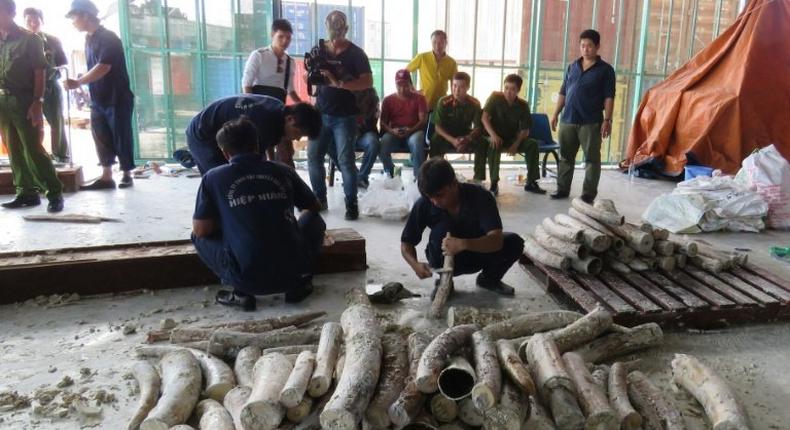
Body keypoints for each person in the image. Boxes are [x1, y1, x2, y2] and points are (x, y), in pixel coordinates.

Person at [192, 117, 326, 311]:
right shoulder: (283, 170)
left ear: (225, 152)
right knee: (314, 220)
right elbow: (314, 207)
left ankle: (241, 293)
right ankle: (299, 283)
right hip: (291, 272)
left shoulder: (213, 178)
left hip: (248, 279)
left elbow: (201, 230)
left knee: (197, 235)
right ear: (257, 144)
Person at [401, 158, 524, 297]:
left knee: (514, 242)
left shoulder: (481, 197)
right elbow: (406, 243)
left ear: (453, 184)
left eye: (439, 195)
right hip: (443, 259)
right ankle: (445, 281)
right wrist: (415, 264)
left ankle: (489, 279)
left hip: (478, 254)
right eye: (430, 197)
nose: (435, 202)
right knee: (441, 230)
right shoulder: (424, 203)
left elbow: (496, 240)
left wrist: (464, 244)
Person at [307, 10, 373, 220]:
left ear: (345, 29)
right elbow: (309, 74)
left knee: (345, 161)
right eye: (331, 27)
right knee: (313, 157)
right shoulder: (319, 49)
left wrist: (340, 83)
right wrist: (310, 74)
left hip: (345, 115)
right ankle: (319, 199)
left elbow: (367, 82)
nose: (335, 33)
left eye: (339, 27)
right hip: (321, 111)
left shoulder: (356, 54)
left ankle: (351, 204)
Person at [64, 0, 136, 190]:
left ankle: (127, 173)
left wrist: (79, 82)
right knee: (101, 137)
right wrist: (83, 82)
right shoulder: (88, 39)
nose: (73, 22)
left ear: (86, 16)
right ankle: (107, 176)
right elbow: (95, 68)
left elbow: (104, 66)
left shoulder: (108, 38)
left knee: (121, 136)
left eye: (74, 17)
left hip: (117, 98)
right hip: (98, 99)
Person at [0, 0, 64, 212]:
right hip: (3, 102)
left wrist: (37, 103)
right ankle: (26, 193)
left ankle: (54, 193)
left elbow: (40, 72)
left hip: (25, 101)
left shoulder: (30, 39)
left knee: (33, 148)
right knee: (13, 149)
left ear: (10, 13)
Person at [550, 29, 615, 204]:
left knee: (592, 160)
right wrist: (555, 114)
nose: (585, 49)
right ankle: (562, 189)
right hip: (568, 120)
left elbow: (609, 96)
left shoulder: (606, 70)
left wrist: (607, 120)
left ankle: (588, 194)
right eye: (583, 45)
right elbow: (563, 92)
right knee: (565, 157)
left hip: (591, 122)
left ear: (597, 47)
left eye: (590, 46)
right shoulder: (572, 67)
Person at [186, 95, 321, 174]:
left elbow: (266, 150)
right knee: (221, 181)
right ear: (290, 119)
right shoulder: (265, 122)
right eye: (299, 133)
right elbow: (253, 162)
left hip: (223, 131)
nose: (297, 138)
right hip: (202, 134)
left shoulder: (279, 111)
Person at [242, 18, 301, 165]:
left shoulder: (290, 62)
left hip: (278, 111)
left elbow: (290, 89)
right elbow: (246, 84)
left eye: (288, 38)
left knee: (286, 153)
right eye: (281, 36)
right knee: (257, 151)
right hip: (257, 109)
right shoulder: (259, 55)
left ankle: (286, 181)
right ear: (272, 35)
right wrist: (250, 108)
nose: (285, 41)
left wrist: (302, 105)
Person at [481, 74, 545, 196]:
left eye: (512, 89)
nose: (508, 92)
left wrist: (516, 144)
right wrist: (493, 135)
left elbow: (525, 130)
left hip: (511, 139)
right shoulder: (495, 98)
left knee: (532, 144)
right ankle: (494, 183)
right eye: (506, 88)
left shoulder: (523, 105)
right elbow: (484, 118)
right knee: (494, 144)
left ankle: (531, 182)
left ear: (518, 91)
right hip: (494, 136)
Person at [23, 7, 69, 163]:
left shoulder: (53, 40)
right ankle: (34, 156)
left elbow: (63, 63)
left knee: (56, 121)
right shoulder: (21, 41)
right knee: (32, 123)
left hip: (50, 87)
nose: (33, 23)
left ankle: (60, 155)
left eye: (36, 20)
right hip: (29, 89)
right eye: (29, 20)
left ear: (42, 21)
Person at [429, 72, 486, 183]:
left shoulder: (474, 103)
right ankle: (436, 177)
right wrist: (454, 141)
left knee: (482, 142)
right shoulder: (444, 102)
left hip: (465, 135)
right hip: (447, 136)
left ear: (468, 88)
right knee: (435, 140)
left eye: (461, 87)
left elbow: (478, 128)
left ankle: (478, 179)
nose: (456, 90)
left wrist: (467, 139)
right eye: (454, 86)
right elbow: (438, 127)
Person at [379, 69, 427, 178]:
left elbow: (423, 120)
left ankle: (419, 177)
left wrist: (411, 130)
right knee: (382, 145)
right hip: (394, 133)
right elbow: (382, 122)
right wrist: (392, 131)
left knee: (417, 139)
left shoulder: (419, 98)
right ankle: (390, 170)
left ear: (410, 84)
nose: (402, 89)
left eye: (405, 85)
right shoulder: (388, 100)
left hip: (413, 132)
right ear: (395, 84)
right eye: (399, 86)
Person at [406, 30, 457, 112]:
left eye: (441, 42)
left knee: (438, 124)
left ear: (446, 43)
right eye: (434, 42)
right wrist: (412, 89)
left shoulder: (452, 62)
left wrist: (453, 99)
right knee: (423, 123)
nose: (437, 46)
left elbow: (454, 82)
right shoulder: (422, 57)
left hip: (442, 101)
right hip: (424, 100)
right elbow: (405, 72)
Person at [353, 87, 381, 189]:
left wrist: (358, 130)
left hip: (365, 133)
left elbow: (372, 121)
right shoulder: (345, 91)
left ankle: (362, 177)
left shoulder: (371, 95)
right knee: (333, 144)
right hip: (347, 132)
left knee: (373, 143)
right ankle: (355, 176)